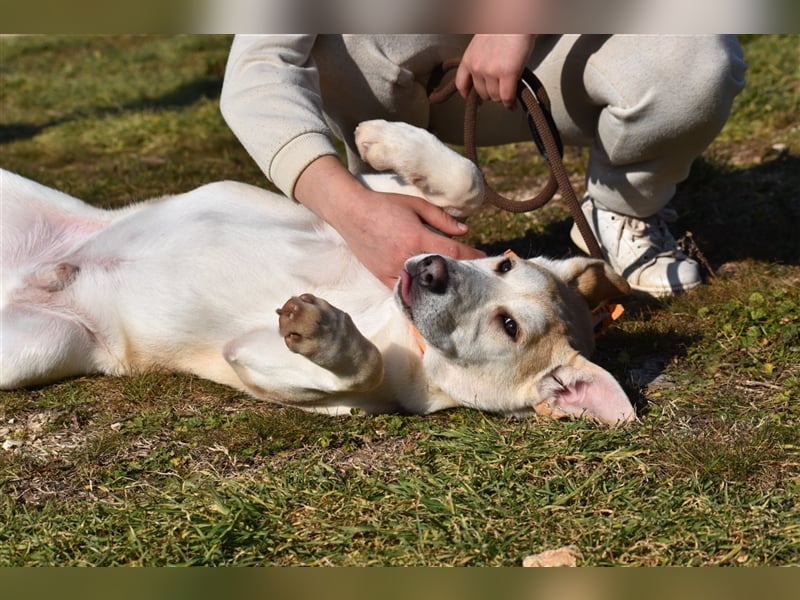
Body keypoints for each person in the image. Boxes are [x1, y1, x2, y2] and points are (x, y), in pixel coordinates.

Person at [220, 34, 746, 296]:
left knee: (692, 49)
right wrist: (350, 208)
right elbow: (257, 70)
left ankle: (619, 208)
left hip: (549, 58)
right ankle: (387, 194)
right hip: (392, 84)